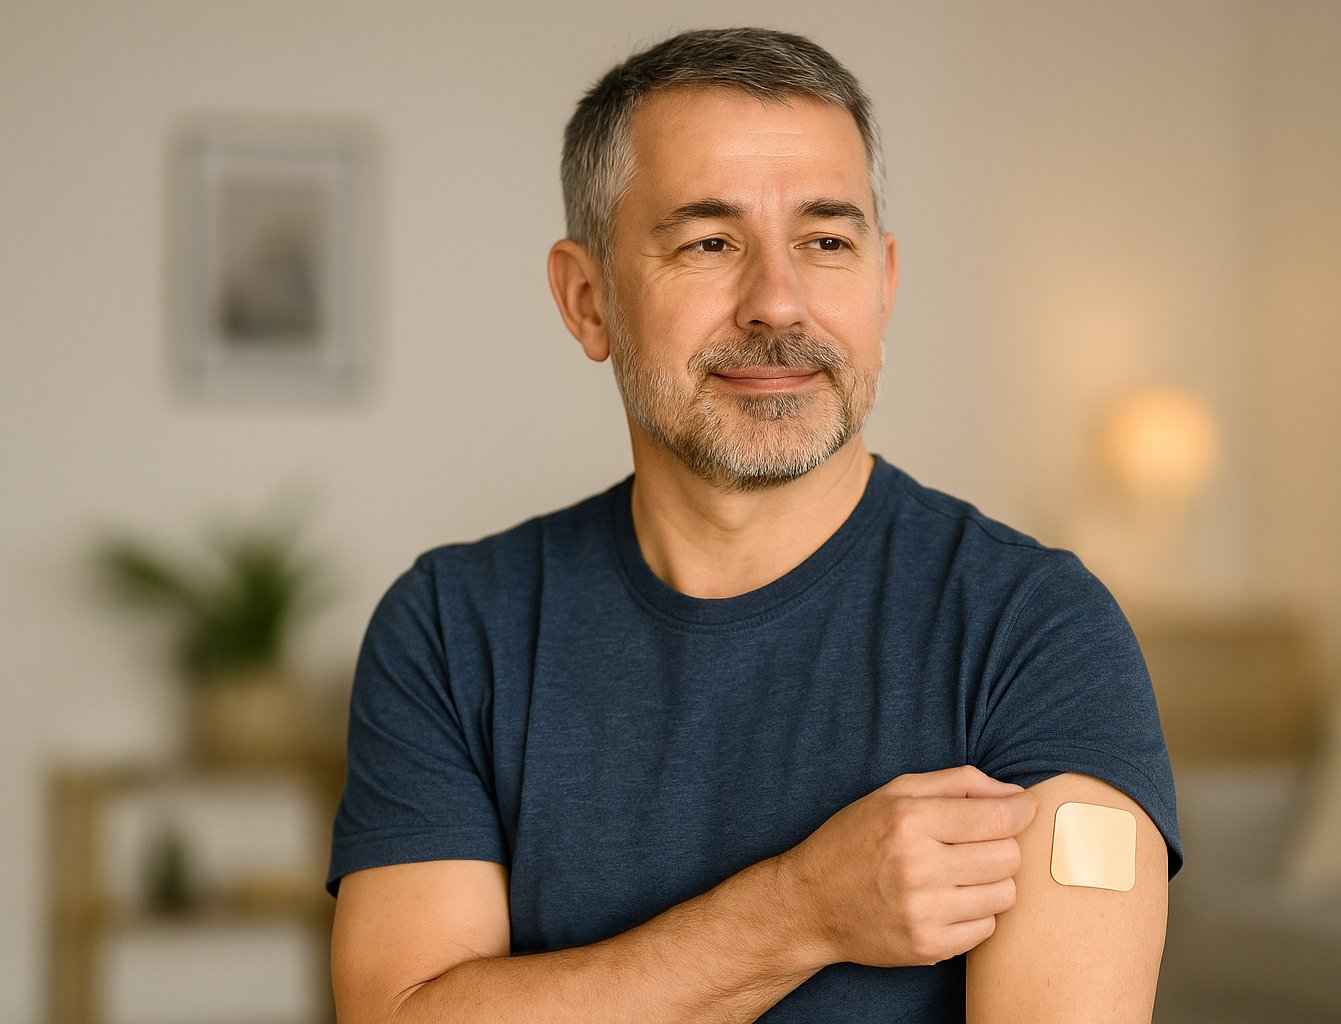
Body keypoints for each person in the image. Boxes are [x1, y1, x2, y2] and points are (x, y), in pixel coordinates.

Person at [328, 26, 1181, 1024]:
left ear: (885, 281)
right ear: (588, 298)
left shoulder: (1036, 632)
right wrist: (802, 910)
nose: (778, 302)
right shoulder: (453, 627)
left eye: (826, 241)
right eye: (708, 242)